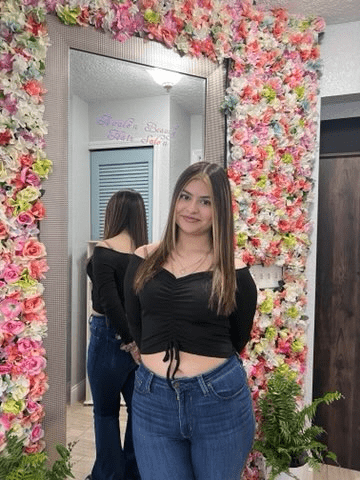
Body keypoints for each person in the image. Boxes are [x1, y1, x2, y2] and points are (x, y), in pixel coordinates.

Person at [124, 162, 258, 480]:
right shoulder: (142, 259)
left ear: (219, 210)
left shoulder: (234, 271)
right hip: (152, 400)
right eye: (185, 196)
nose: (191, 209)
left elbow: (238, 337)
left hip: (219, 401)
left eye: (206, 201)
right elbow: (136, 324)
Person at [86, 190, 146, 480]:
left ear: (112, 213)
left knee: (106, 413)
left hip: (108, 337)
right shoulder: (146, 253)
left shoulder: (104, 249)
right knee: (139, 413)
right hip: (142, 340)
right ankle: (133, 474)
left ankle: (109, 475)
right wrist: (138, 342)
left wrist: (129, 341)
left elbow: (110, 303)